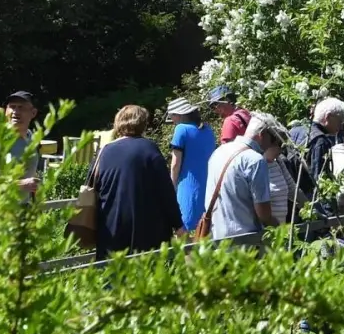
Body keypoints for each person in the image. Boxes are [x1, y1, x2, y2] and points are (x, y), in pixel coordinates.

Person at [90, 105, 183, 261]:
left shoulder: (104, 151)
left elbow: (93, 187)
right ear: (143, 124)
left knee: (112, 279)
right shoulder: (149, 149)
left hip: (111, 228)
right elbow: (165, 191)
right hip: (147, 229)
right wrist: (178, 224)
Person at [204, 112, 286, 241]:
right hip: (246, 241)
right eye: (274, 139)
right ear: (262, 134)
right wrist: (281, 231)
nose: (272, 145)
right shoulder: (255, 160)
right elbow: (263, 214)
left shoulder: (219, 151)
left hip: (217, 237)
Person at [167, 97, 217, 232]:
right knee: (207, 230)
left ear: (179, 115)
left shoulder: (181, 129)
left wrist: (171, 186)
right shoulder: (208, 130)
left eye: (172, 116)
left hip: (188, 187)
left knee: (186, 232)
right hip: (209, 187)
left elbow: (175, 164)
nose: (172, 120)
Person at [304, 97, 344, 199]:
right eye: (340, 121)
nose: (341, 126)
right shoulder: (321, 141)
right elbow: (320, 180)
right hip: (309, 201)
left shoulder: (298, 130)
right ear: (328, 117)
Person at [6, 91, 41, 199]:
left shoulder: (32, 137)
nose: (16, 112)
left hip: (24, 210)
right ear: (5, 111)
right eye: (12, 107)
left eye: (21, 107)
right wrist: (20, 185)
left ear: (33, 113)